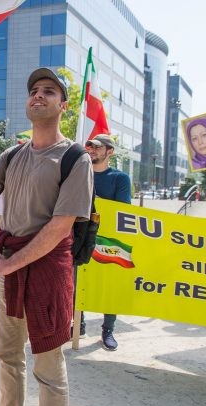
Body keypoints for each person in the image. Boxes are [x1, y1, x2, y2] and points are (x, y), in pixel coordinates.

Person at [0, 67, 93, 406]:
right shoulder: (13, 153)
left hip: (48, 270)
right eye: (34, 90)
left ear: (62, 105)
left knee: (49, 370)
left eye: (49, 91)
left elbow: (59, 227)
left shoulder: (75, 158)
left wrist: (6, 265)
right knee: (7, 356)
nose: (38, 95)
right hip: (10, 266)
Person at [82, 134, 131, 351]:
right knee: (78, 281)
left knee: (109, 285)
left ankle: (107, 329)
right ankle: (78, 324)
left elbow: (123, 211)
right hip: (81, 237)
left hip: (108, 240)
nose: (91, 149)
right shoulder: (81, 174)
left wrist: (97, 203)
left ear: (109, 152)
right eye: (89, 146)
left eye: (97, 147)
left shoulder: (119, 179)